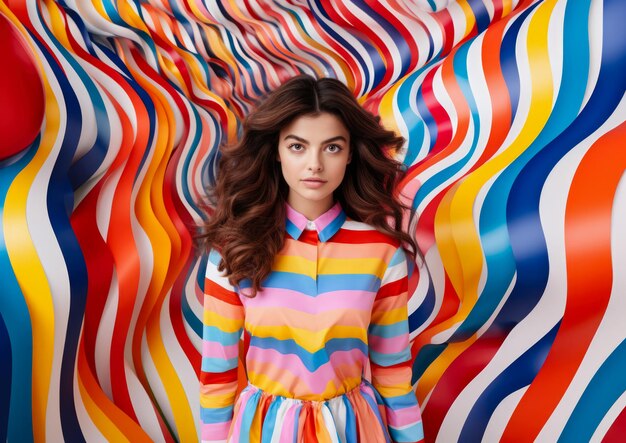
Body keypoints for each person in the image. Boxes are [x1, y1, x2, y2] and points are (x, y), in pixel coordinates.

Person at [198, 74, 424, 443]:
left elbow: (394, 375)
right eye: (298, 146)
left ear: (350, 153)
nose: (314, 164)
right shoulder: (233, 248)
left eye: (332, 147)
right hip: (263, 433)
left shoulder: (382, 253)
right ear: (276, 150)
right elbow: (217, 379)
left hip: (356, 431)